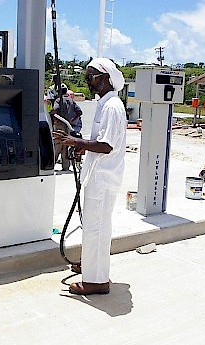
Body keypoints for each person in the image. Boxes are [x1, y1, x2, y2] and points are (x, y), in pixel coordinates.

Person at [53, 58, 126, 295]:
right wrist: (85, 146)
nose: (88, 82)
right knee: (93, 226)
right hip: (97, 177)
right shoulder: (105, 104)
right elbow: (101, 141)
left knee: (96, 228)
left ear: (105, 78)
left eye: (91, 77)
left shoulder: (113, 106)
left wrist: (76, 141)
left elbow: (107, 145)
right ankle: (91, 266)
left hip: (103, 179)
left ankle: (96, 281)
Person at [51, 83, 83, 171]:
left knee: (57, 145)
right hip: (68, 126)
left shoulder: (58, 100)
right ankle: (65, 167)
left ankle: (51, 166)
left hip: (60, 125)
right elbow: (80, 112)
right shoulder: (71, 101)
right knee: (65, 145)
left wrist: (55, 118)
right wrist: (73, 120)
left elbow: (55, 110)